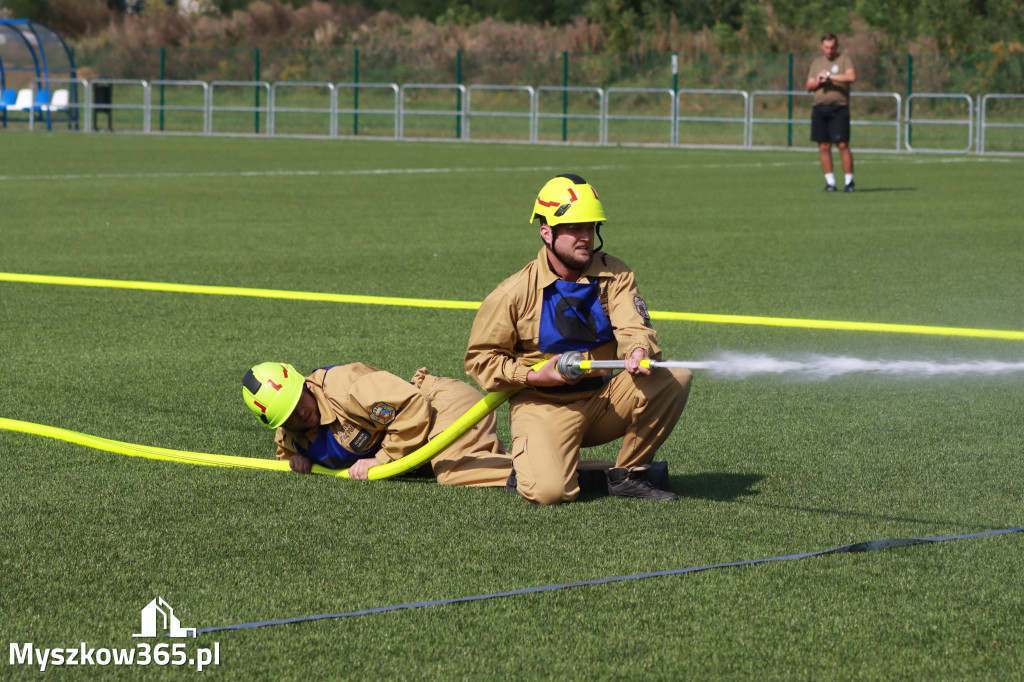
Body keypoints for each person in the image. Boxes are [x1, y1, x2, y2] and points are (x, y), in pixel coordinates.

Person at [464, 174, 692, 505]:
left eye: (590, 227)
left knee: (675, 375)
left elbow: (633, 326)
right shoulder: (512, 293)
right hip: (542, 404)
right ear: (547, 232)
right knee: (550, 492)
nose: (585, 237)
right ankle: (532, 465)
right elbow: (480, 360)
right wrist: (532, 375)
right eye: (575, 229)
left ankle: (629, 474)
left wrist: (637, 350)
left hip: (602, 399)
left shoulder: (616, 274)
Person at [241, 361, 512, 486]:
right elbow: (285, 452)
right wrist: (295, 460)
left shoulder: (345, 387)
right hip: (422, 433)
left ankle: (536, 477)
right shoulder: (288, 431)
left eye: (297, 402)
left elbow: (414, 404)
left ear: (303, 384)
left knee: (452, 474)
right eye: (289, 416)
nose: (299, 415)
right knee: (459, 466)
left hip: (441, 405)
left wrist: (382, 459)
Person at [806, 33, 856, 192]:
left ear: (837, 46)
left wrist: (830, 76)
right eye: (826, 47)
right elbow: (809, 86)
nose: (829, 50)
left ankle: (849, 182)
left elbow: (851, 76)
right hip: (820, 108)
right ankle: (830, 183)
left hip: (839, 108)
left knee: (842, 145)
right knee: (823, 146)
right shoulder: (817, 62)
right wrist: (819, 82)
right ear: (822, 47)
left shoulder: (844, 60)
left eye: (832, 47)